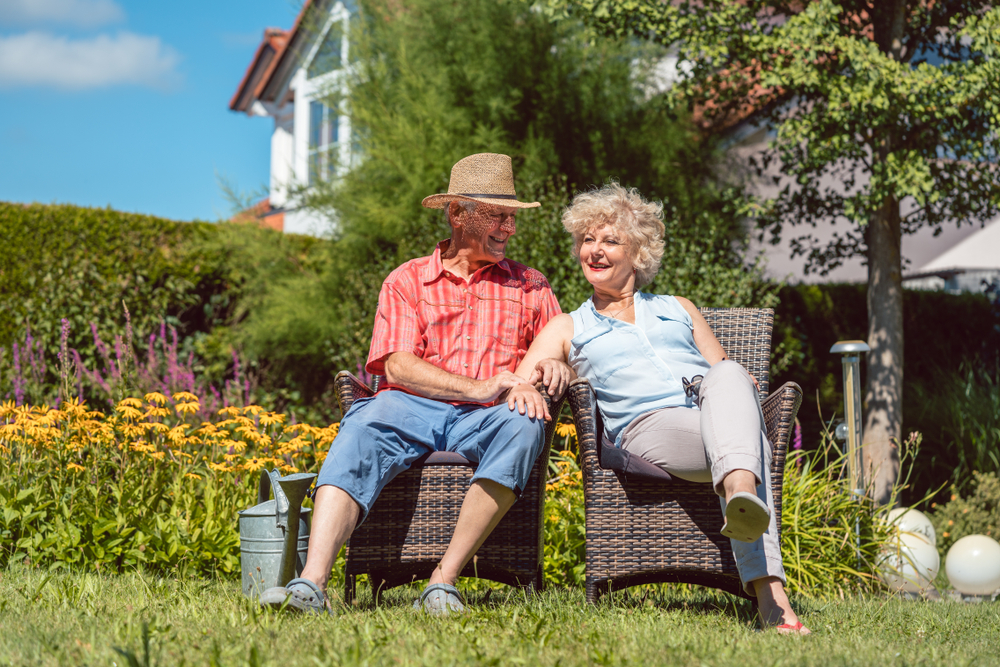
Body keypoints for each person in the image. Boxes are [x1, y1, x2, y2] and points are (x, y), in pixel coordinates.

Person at [259, 153, 571, 616]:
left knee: (524, 427)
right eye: (498, 216)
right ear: (458, 213)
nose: (510, 228)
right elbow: (398, 366)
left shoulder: (531, 285)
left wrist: (555, 368)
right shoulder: (407, 280)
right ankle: (312, 584)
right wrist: (476, 387)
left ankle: (442, 581)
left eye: (512, 217)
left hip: (490, 418)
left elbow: (558, 345)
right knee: (362, 425)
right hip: (410, 408)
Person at [518, 182, 811, 634]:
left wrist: (735, 382)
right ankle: (770, 593)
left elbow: (727, 374)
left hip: (711, 417)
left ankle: (740, 495)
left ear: (638, 254)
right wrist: (551, 368)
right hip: (648, 428)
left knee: (729, 372)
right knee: (749, 441)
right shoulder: (568, 325)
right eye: (587, 240)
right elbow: (520, 383)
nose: (594, 250)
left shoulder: (679, 308)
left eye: (610, 240)